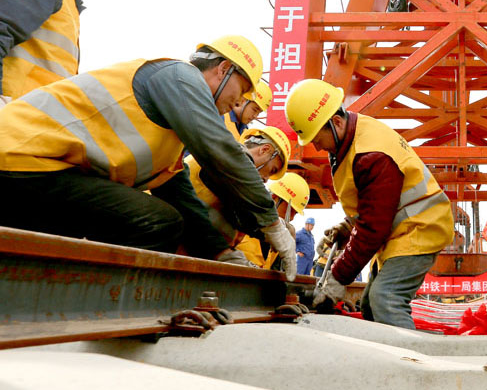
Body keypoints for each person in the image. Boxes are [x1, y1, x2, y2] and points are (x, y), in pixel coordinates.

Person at [0, 35, 297, 280]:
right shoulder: (180, 77)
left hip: (35, 170)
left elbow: (178, 194)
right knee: (157, 222)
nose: (239, 102)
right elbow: (220, 150)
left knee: (168, 217)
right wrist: (272, 222)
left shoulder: (173, 135)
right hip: (20, 159)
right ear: (223, 69)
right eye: (243, 90)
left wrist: (221, 253)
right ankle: (97, 308)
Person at [285, 78, 454, 328]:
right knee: (369, 307)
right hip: (403, 231)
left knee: (385, 299)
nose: (316, 146)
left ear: (336, 122)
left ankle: (412, 363)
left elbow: (374, 226)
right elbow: (373, 203)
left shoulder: (371, 155)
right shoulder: (355, 140)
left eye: (316, 138)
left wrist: (337, 279)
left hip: (420, 230)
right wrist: (347, 227)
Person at [185, 125, 291, 247]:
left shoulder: (230, 153)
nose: (266, 179)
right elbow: (245, 215)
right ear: (264, 150)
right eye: (272, 170)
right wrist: (275, 231)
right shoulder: (232, 159)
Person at [237, 172, 310, 268]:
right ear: (274, 198)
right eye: (290, 210)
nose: (291, 218)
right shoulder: (240, 216)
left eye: (295, 213)